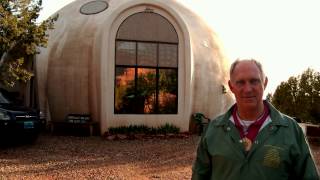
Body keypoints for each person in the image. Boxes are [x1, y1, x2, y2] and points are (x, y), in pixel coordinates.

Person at [192, 59, 319, 180]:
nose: (248, 89)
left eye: (254, 81)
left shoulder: (291, 130)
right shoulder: (213, 130)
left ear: (265, 83)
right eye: (240, 82)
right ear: (231, 86)